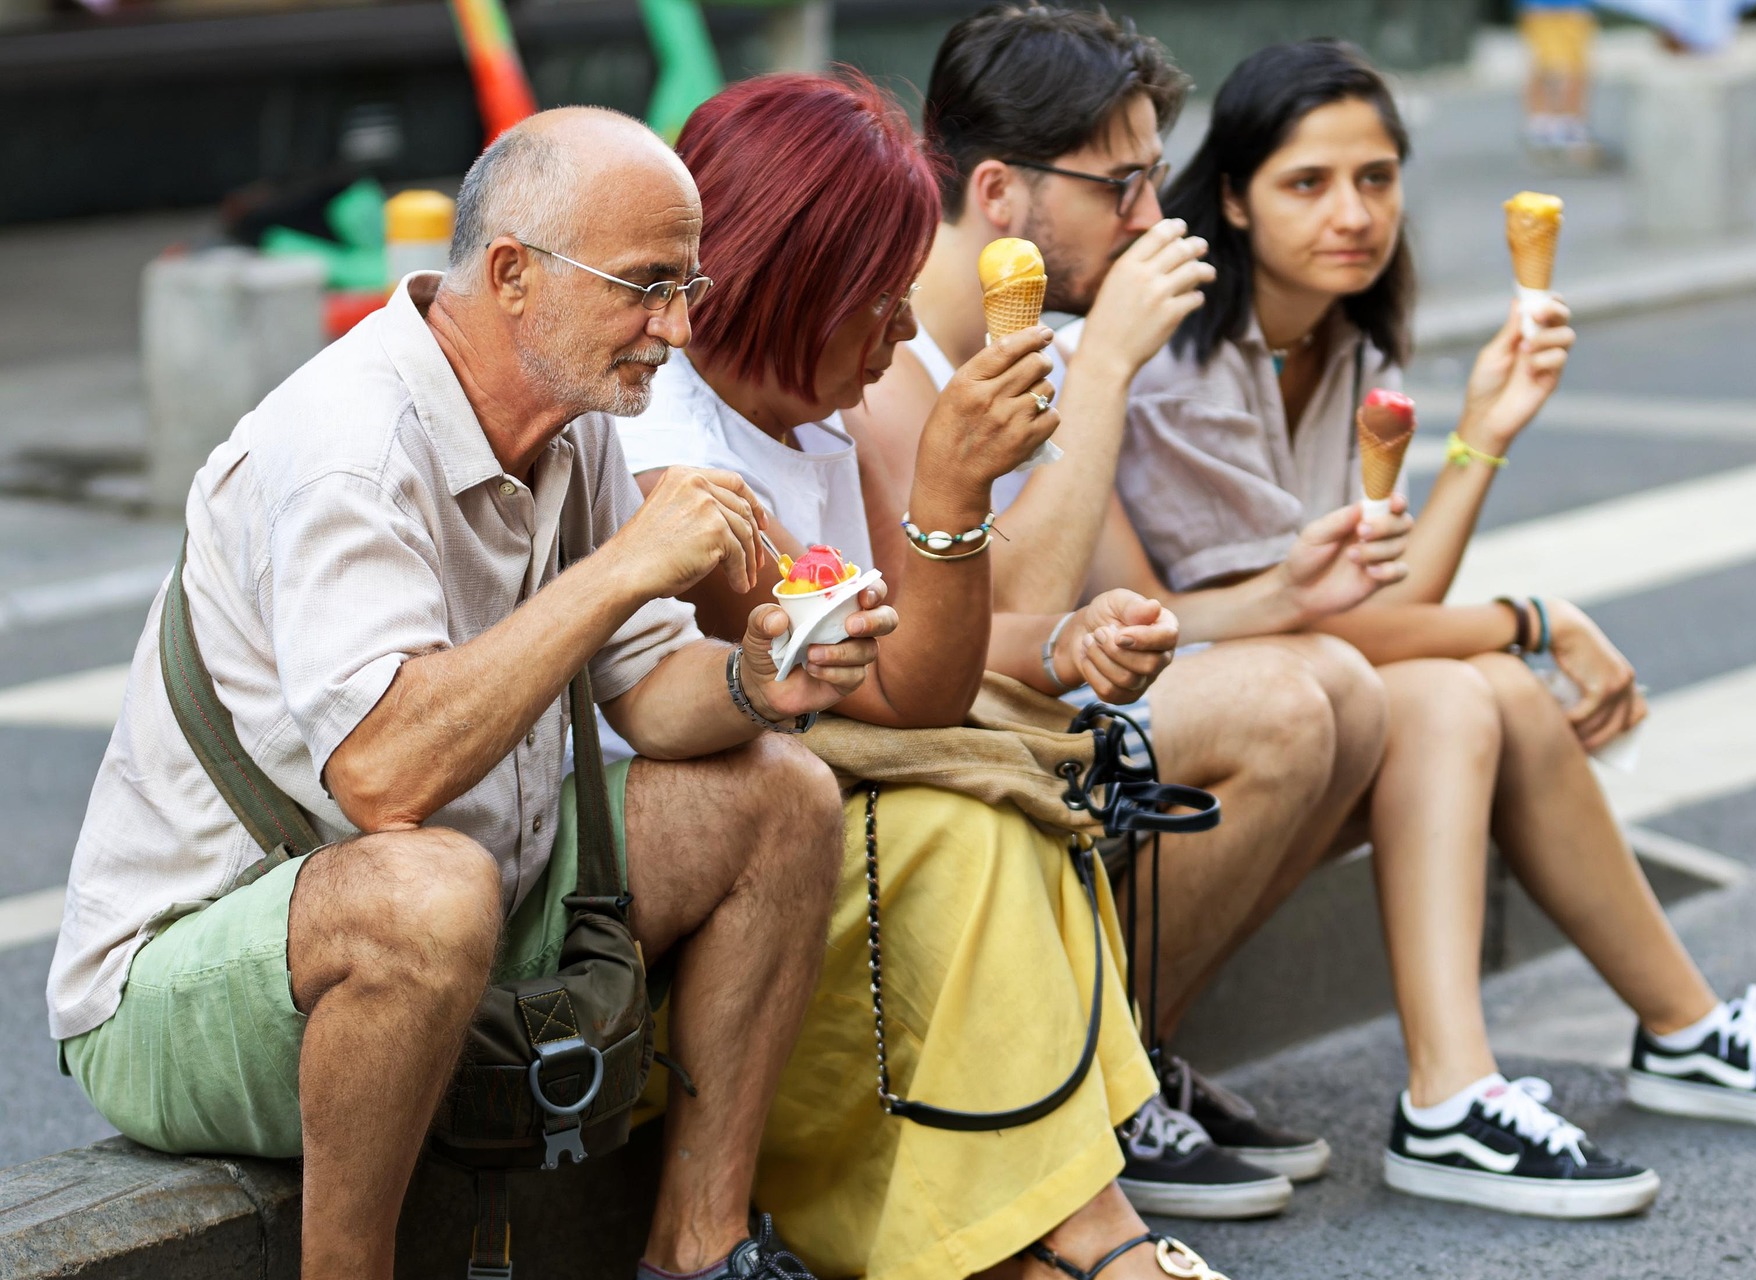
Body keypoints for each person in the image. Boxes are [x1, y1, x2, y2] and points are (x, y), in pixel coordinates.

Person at [46, 108, 886, 1279]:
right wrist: (623, 567)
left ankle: (701, 1247)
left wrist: (756, 676)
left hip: (472, 911)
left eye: (687, 285)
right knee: (432, 887)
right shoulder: (349, 446)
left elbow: (647, 693)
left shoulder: (571, 411)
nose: (679, 328)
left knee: (782, 796)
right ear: (512, 276)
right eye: (648, 287)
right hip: (185, 979)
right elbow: (384, 776)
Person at [1120, 39, 1756, 1218]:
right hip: (1189, 740)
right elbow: (1326, 627)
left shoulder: (1340, 346)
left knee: (1485, 687)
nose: (1353, 212)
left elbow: (1373, 611)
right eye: (1308, 182)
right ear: (1231, 195)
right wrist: (1533, 617)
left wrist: (1485, 432)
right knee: (1470, 680)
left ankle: (1618, 1045)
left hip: (1306, 707)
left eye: (1377, 178)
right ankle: (1463, 1092)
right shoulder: (1181, 369)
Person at [614, 71, 1245, 1280]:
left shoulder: (811, 424)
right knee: (970, 823)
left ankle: (1068, 1232)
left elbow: (897, 657)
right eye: (876, 305)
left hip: (782, 817)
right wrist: (951, 497)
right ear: (785, 279)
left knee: (993, 806)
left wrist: (1045, 630)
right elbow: (872, 686)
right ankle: (1067, 1241)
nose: (902, 339)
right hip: (667, 873)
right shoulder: (664, 446)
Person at [853, 1, 1412, 1218]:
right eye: (1121, 186)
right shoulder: (888, 358)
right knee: (1283, 706)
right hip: (913, 752)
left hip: (1025, 719)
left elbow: (1128, 602)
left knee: (1350, 693)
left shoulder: (1043, 345)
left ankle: (1130, 1054)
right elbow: (990, 642)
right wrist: (1105, 364)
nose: (1154, 218)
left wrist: (1286, 590)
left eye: (1157, 178)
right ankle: (1088, 1086)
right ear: (998, 193)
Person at [1517, 0, 1600, 166]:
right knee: (1546, 64)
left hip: (1573, 7)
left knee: (1573, 65)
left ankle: (1569, 124)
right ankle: (1543, 124)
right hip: (1541, 8)